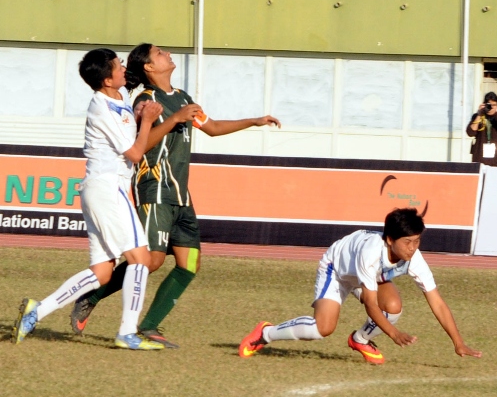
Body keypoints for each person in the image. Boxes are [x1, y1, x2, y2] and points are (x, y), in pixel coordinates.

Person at [70, 43, 281, 348]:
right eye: (159, 53)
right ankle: (91, 296)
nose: (166, 54)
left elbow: (213, 127)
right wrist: (174, 119)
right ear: (149, 67)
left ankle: (150, 325)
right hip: (154, 188)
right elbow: (138, 147)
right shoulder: (144, 100)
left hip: (180, 193)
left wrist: (254, 121)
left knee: (190, 262)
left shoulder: (182, 98)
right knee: (151, 261)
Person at [11, 48, 166, 350]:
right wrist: (147, 120)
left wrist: (137, 117)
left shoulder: (117, 99)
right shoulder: (101, 106)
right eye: (118, 66)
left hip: (104, 189)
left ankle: (36, 311)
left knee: (103, 272)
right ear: (108, 79)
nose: (123, 69)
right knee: (141, 259)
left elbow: (127, 140)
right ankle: (127, 332)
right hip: (108, 188)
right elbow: (135, 153)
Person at [238, 208, 482, 364]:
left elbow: (437, 302)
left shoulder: (413, 258)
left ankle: (360, 339)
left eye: (417, 241)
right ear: (389, 240)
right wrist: (394, 334)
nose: (413, 247)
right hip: (338, 270)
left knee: (394, 307)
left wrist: (457, 342)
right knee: (322, 329)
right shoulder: (371, 253)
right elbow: (370, 305)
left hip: (368, 277)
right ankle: (266, 333)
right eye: (407, 242)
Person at [467, 91, 497, 166]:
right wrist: (480, 113)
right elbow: (470, 132)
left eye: (494, 105)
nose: (492, 107)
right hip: (480, 158)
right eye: (489, 105)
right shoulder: (478, 116)